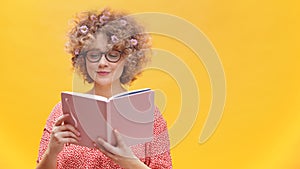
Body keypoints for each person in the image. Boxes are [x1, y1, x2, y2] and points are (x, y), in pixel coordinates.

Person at [36, 7, 172, 169]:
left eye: (113, 54)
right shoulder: (62, 112)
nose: (102, 63)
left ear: (127, 59)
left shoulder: (151, 116)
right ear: (83, 59)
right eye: (94, 54)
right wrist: (52, 152)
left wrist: (127, 160)